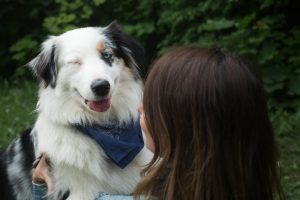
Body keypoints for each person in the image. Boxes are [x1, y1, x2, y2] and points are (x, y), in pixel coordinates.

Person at [32, 47, 284, 200]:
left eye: (153, 106)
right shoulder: (201, 181)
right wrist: (41, 183)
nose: (139, 107)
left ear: (187, 130)